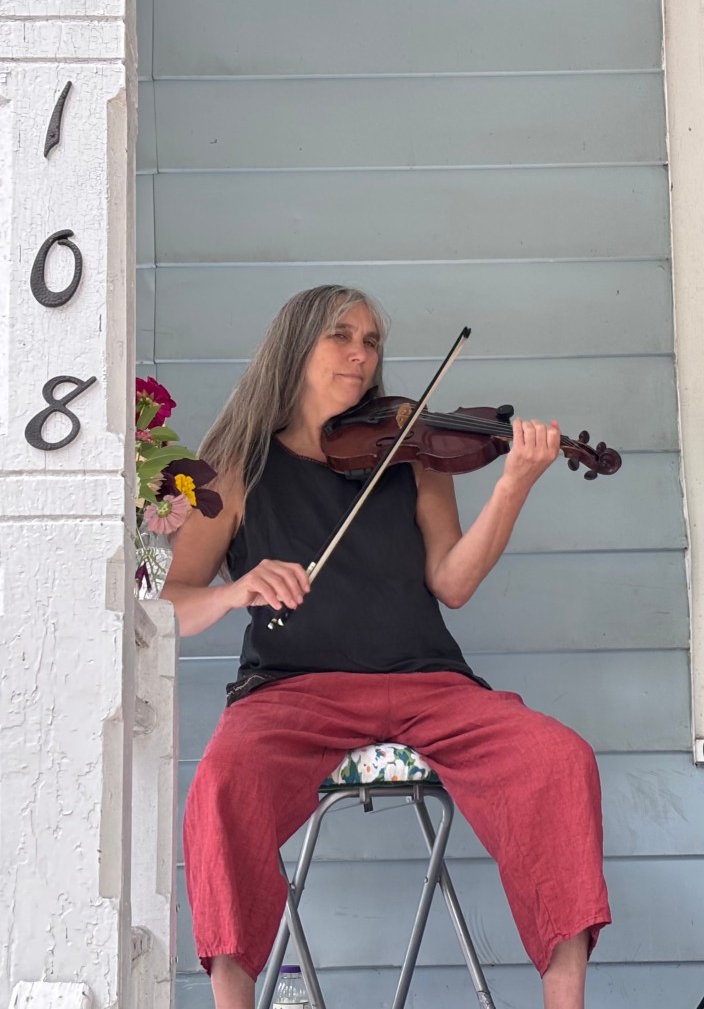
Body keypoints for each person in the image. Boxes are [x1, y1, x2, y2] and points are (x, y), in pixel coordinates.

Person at [162, 285, 611, 1009]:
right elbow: (171, 602)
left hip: (430, 686)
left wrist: (514, 486)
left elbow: (453, 583)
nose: (360, 355)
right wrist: (234, 589)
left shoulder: (410, 453)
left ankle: (565, 1001)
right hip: (290, 690)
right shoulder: (236, 465)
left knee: (558, 760)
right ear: (295, 348)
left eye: (370, 342)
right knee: (220, 790)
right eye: (340, 336)